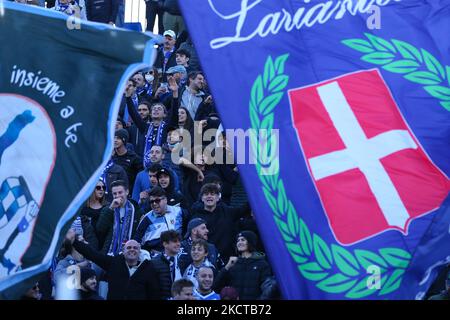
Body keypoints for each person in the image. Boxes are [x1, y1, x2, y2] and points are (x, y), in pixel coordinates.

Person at [72, 238, 160, 300]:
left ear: (139, 251)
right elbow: (93, 255)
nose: (132, 250)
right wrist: (74, 241)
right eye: (129, 248)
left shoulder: (148, 268)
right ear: (123, 250)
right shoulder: (113, 263)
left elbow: (154, 294)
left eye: (135, 248)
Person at [190, 183, 249, 261]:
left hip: (228, 257)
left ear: (218, 198)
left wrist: (257, 193)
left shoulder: (227, 211)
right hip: (207, 259)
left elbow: (243, 209)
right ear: (202, 198)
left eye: (212, 194)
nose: (209, 196)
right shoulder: (195, 217)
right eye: (206, 194)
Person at [214, 231, 272, 300]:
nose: (239, 242)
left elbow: (267, 289)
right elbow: (216, 287)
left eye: (243, 240)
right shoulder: (232, 263)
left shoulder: (262, 264)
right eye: (238, 240)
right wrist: (227, 267)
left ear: (250, 242)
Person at [96, 180, 142, 255]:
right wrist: (111, 208)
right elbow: (100, 229)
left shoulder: (136, 210)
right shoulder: (108, 209)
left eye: (120, 192)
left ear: (127, 192)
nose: (117, 196)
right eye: (114, 193)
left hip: (131, 252)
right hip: (110, 251)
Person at [133, 187, 185, 253]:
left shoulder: (179, 211)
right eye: (151, 202)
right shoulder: (147, 219)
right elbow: (137, 240)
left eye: (157, 200)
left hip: (179, 252)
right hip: (157, 256)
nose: (154, 204)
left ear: (165, 200)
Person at [151, 230, 185, 299]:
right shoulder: (154, 263)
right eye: (175, 241)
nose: (178, 244)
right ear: (165, 244)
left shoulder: (182, 262)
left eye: (179, 241)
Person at [112, 129, 143, 194]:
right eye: (114, 138)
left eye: (118, 138)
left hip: (128, 193)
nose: (115, 140)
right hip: (113, 192)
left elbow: (140, 178)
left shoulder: (134, 158)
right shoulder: (111, 158)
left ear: (124, 140)